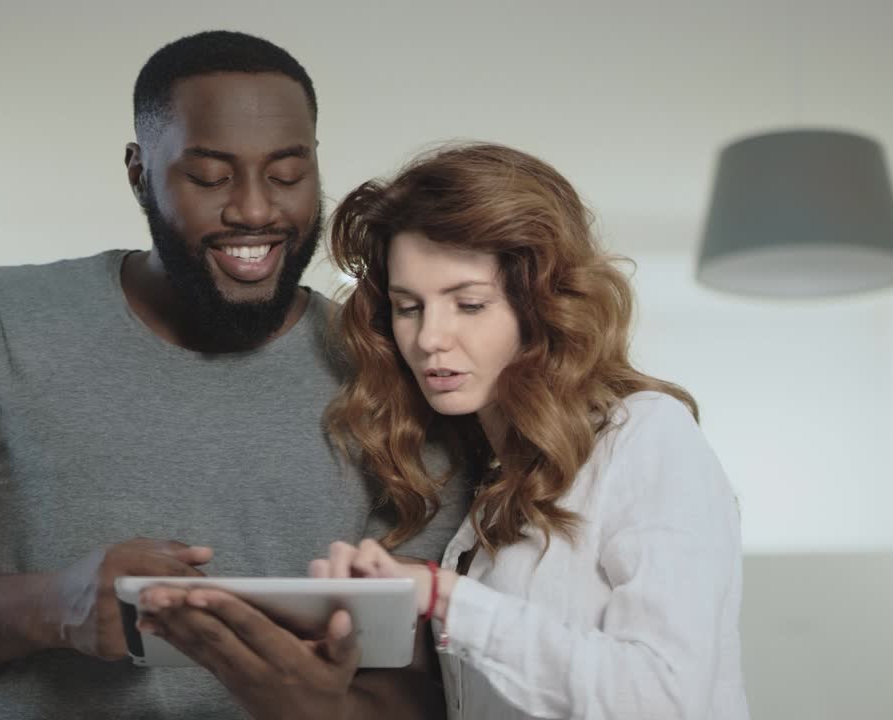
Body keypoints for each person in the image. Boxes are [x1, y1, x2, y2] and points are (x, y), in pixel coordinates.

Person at [0, 31, 466, 719]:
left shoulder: (394, 369)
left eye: (286, 173)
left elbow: (436, 685)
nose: (254, 208)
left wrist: (323, 712)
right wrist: (53, 606)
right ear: (139, 173)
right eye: (211, 177)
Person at [310, 143, 749, 719]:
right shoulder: (485, 499)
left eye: (468, 304)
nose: (429, 338)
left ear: (540, 307)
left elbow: (664, 697)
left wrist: (445, 599)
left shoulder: (645, 436)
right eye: (408, 306)